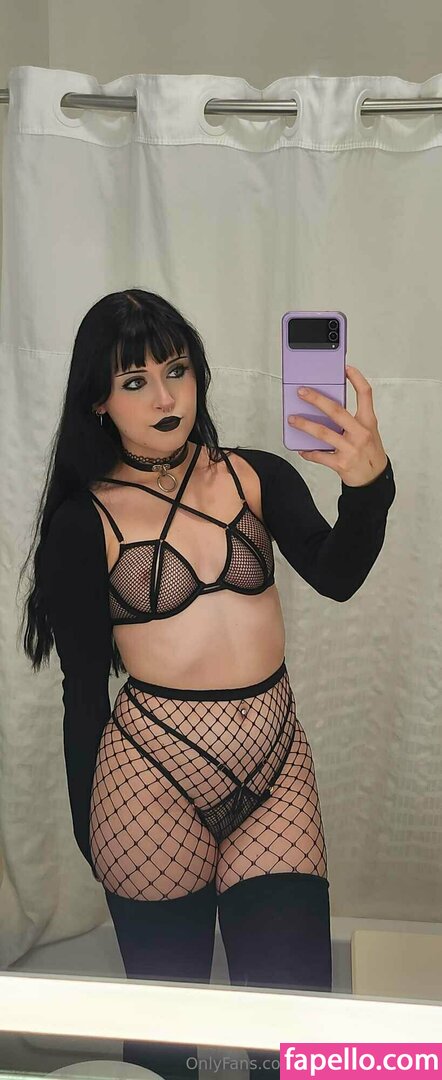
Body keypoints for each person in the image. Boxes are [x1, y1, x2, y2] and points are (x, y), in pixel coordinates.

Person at [18, 289, 396, 1080]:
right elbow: (83, 691)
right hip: (148, 779)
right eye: (135, 381)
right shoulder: (84, 521)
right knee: (169, 1032)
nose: (165, 397)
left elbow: (337, 576)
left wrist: (369, 489)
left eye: (177, 370)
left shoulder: (255, 475)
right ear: (98, 400)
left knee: (295, 1024)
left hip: (273, 763)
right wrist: (92, 828)